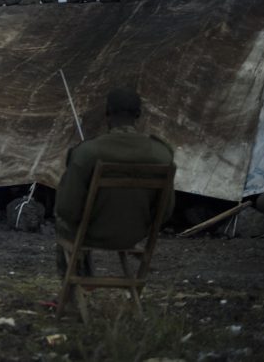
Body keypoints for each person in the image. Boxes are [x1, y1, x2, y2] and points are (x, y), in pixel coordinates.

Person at [53, 88, 175, 275]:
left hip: (91, 234)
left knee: (63, 226)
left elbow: (67, 208)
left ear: (107, 113)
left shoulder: (88, 152)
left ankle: (77, 287)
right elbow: (165, 210)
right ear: (138, 115)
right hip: (134, 235)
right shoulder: (162, 154)